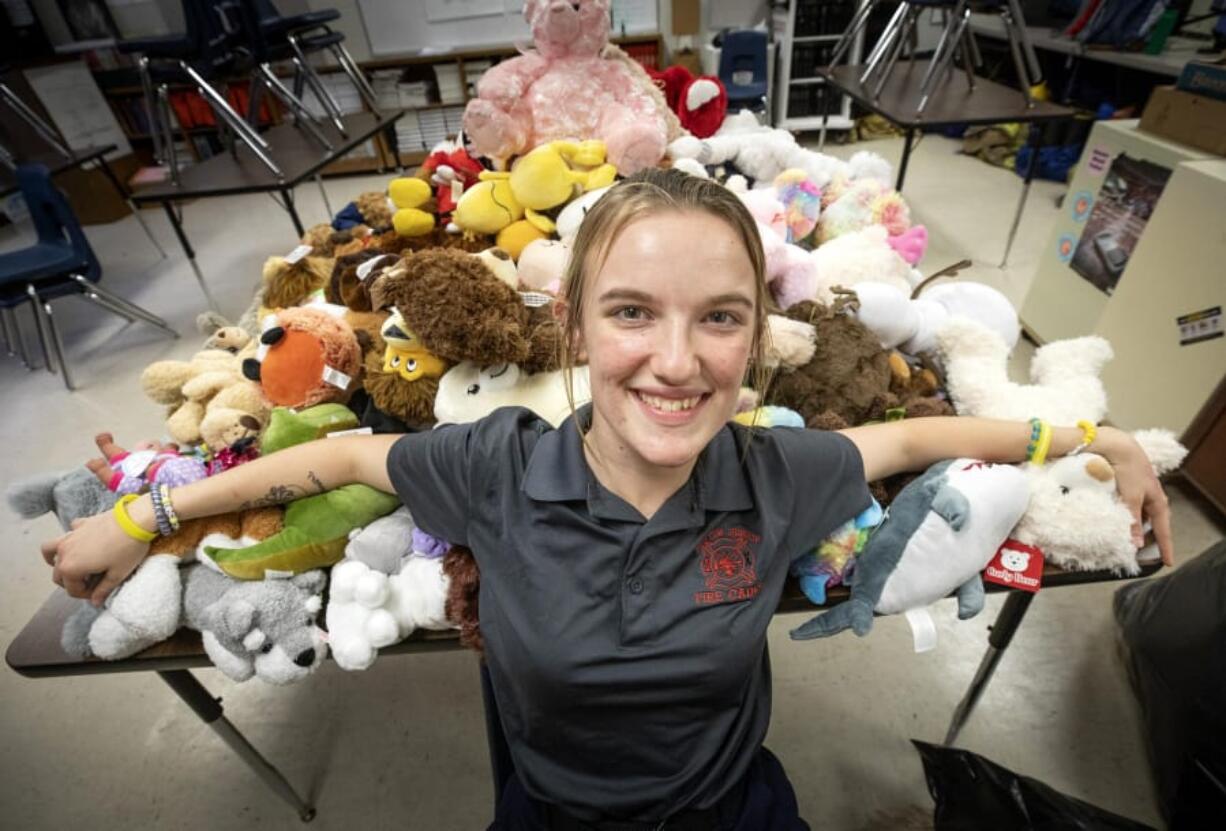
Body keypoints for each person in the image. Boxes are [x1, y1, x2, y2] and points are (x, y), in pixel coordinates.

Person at [43, 169, 1173, 830]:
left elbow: (916, 431)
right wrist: (143, 517)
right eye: (632, 312)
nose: (676, 363)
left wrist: (1094, 434)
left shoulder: (776, 475)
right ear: (573, 329)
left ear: (753, 336)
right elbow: (334, 461)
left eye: (717, 317)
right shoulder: (493, 466)